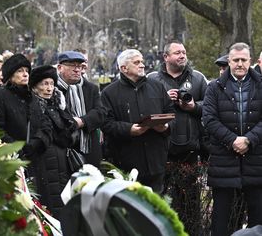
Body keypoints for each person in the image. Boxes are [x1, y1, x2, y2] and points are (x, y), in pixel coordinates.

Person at [147, 40, 208, 234]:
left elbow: (210, 107)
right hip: (160, 151)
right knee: (160, 201)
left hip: (190, 151)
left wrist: (193, 106)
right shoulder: (151, 79)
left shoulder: (198, 78)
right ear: (166, 57)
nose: (182, 56)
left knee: (190, 203)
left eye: (184, 52)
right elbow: (144, 109)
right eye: (177, 53)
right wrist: (163, 98)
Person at [203, 42, 262, 236]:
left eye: (243, 60)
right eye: (235, 60)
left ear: (250, 61)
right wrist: (232, 140)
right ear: (228, 61)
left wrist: (249, 140)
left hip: (255, 160)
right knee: (220, 220)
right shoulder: (214, 87)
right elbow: (209, 119)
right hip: (224, 161)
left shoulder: (260, 85)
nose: (239, 64)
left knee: (258, 219)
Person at [101, 49, 174, 195]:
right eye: (136, 62)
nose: (142, 65)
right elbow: (105, 123)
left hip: (155, 162)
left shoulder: (157, 87)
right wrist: (129, 129)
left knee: (155, 210)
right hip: (126, 164)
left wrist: (165, 127)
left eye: (142, 61)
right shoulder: (109, 93)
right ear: (123, 68)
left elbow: (171, 112)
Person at [26, 65, 78, 219]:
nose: (49, 88)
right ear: (34, 86)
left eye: (51, 84)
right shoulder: (30, 107)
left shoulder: (58, 106)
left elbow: (70, 133)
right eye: (44, 84)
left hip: (62, 164)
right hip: (42, 164)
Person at [56, 50, 106, 167]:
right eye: (72, 65)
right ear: (60, 68)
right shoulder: (53, 88)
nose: (77, 69)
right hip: (62, 149)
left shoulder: (90, 88)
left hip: (89, 149)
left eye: (79, 66)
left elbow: (101, 113)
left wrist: (82, 121)